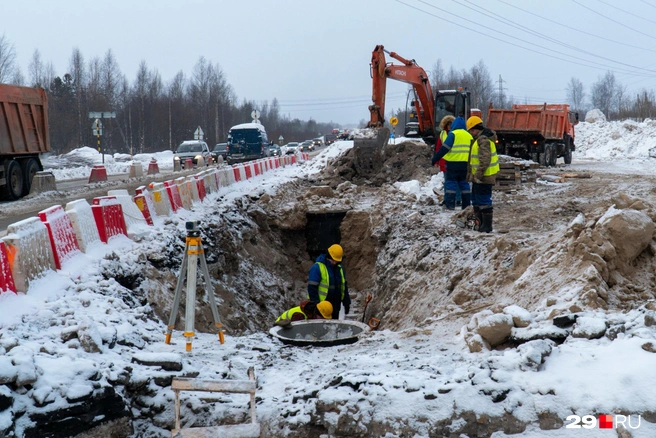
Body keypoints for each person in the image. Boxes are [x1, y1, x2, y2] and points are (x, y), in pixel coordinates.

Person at [466, 116, 499, 233]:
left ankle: (486, 226)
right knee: (476, 200)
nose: (470, 133)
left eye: (471, 130)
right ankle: (479, 223)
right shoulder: (478, 139)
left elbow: (485, 159)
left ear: (476, 129)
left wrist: (478, 175)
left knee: (484, 200)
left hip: (484, 177)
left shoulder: (483, 140)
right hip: (479, 177)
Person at [431, 116, 472, 210]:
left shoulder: (453, 134)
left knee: (451, 184)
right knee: (464, 184)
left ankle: (450, 205)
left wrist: (435, 158)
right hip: (465, 165)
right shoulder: (468, 135)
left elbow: (444, 148)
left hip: (452, 164)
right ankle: (466, 205)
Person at [307, 244, 351, 319]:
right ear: (328, 256)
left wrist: (346, 302)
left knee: (333, 327)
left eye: (336, 261)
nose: (334, 262)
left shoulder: (340, 268)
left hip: (335, 305)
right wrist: (316, 305)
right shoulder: (317, 267)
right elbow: (312, 288)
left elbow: (343, 286)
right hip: (321, 307)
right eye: (333, 260)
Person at [434, 115, 461, 206]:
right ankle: (447, 199)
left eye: (451, 124)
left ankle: (457, 199)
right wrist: (437, 161)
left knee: (456, 181)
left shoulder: (456, 134)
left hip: (455, 161)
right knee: (447, 181)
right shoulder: (442, 134)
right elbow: (438, 148)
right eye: (448, 124)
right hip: (445, 161)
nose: (449, 126)